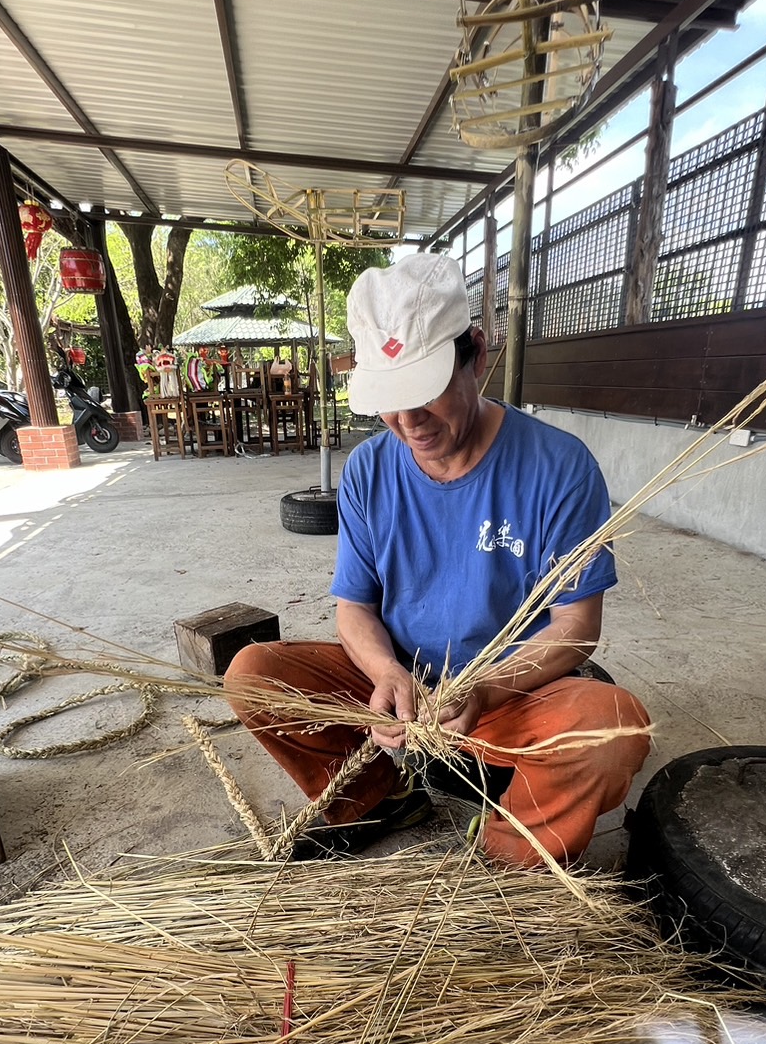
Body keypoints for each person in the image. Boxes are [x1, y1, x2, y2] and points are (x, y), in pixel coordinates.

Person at [225, 252, 651, 866]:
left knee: (612, 732)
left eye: (426, 393)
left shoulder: (560, 468)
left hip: (508, 691)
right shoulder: (368, 470)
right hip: (401, 687)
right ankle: (378, 799)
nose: (409, 422)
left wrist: (485, 689)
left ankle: (507, 856)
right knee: (254, 673)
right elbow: (354, 607)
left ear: (475, 354)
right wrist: (385, 673)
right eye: (389, 401)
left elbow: (576, 627)